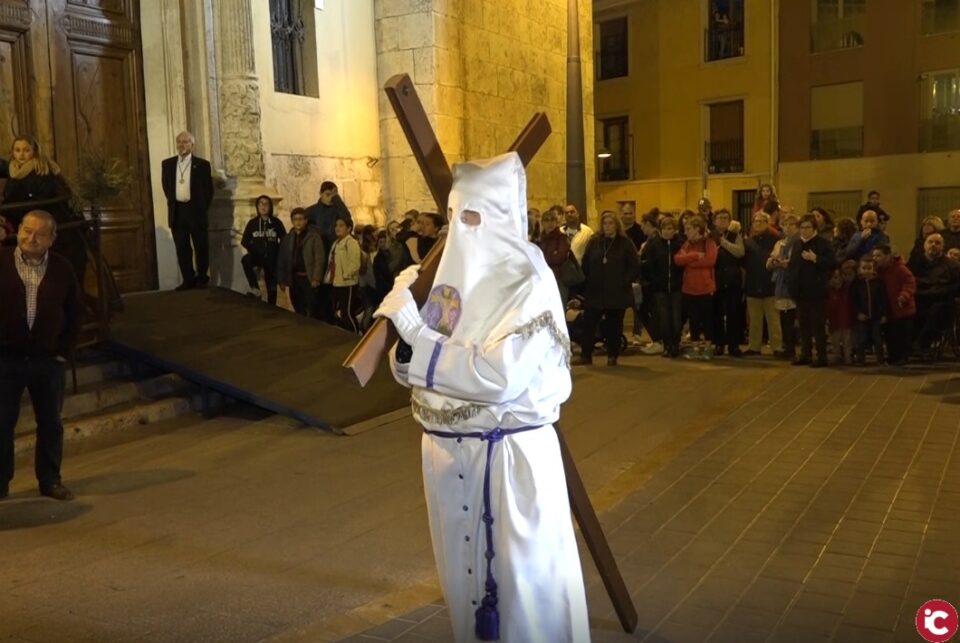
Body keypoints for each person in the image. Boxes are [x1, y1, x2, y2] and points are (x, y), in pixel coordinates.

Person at [375, 152, 590, 643]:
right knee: (462, 586)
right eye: (453, 217)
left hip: (508, 465)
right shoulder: (444, 281)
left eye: (472, 217)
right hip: (449, 462)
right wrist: (404, 330)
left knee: (523, 595)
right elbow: (411, 369)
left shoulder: (528, 283)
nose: (461, 230)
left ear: (502, 218)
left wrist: (419, 337)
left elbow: (500, 376)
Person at [0, 210, 80, 502]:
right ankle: (0, 483)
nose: (31, 238)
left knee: (50, 422)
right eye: (26, 231)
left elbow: (74, 312)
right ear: (18, 230)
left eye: (40, 234)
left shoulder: (62, 268)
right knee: (1, 422)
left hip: (47, 360)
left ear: (52, 239)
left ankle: (50, 479)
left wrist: (63, 352)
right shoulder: (2, 261)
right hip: (5, 359)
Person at [3, 136, 87, 285]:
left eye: (26, 150)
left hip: (45, 220)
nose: (21, 154)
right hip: (20, 218)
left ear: (34, 152)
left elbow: (43, 197)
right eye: (17, 150)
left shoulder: (42, 170)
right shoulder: (14, 169)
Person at [578, 211, 640, 366]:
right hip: (595, 291)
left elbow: (634, 265)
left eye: (610, 223)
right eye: (605, 223)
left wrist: (625, 281)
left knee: (614, 326)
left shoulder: (625, 244)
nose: (607, 226)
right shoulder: (594, 242)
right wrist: (586, 281)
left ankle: (613, 355)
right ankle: (586, 355)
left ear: (616, 225)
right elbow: (586, 263)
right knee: (589, 324)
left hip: (616, 291)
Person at [161, 131, 214, 291]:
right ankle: (188, 279)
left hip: (196, 210)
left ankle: (202, 277)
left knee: (201, 246)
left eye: (185, 142)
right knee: (182, 247)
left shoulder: (203, 165)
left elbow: (208, 190)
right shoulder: (167, 164)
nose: (181, 145)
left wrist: (201, 207)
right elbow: (166, 186)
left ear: (192, 144)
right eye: (179, 142)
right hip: (178, 211)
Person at [786, 213, 836, 367]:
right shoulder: (796, 244)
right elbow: (792, 267)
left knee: (817, 326)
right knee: (803, 325)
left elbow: (832, 264)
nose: (804, 231)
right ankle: (805, 354)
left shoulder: (823, 243)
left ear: (814, 228)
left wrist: (815, 259)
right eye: (802, 227)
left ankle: (821, 357)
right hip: (800, 293)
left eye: (807, 227)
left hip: (817, 292)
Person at [305, 180, 353, 322]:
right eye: (328, 194)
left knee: (333, 291)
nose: (330, 198)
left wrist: (337, 199)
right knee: (319, 291)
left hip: (335, 254)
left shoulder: (337, 209)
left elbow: (347, 220)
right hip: (320, 254)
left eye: (333, 194)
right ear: (321, 194)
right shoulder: (312, 211)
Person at [909, 233, 960, 359]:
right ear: (924, 245)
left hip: (941, 301)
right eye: (930, 242)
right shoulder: (915, 263)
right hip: (919, 299)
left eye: (937, 243)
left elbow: (955, 287)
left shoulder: (952, 266)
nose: (933, 245)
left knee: (936, 310)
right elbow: (910, 281)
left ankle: (922, 345)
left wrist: (936, 288)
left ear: (943, 246)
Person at [675, 214, 718, 359]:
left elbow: (709, 261)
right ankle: (694, 346)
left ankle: (708, 346)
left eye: (688, 229)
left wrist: (689, 263)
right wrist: (694, 256)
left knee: (707, 319)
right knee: (693, 319)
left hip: (705, 288)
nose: (685, 232)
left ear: (697, 229)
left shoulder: (709, 243)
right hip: (689, 288)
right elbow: (678, 260)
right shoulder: (687, 245)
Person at [645, 216, 685, 358]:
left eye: (670, 229)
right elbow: (649, 266)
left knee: (676, 318)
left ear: (674, 230)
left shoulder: (680, 244)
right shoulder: (654, 245)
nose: (667, 232)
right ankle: (667, 345)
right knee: (664, 318)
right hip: (660, 288)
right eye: (664, 229)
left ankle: (676, 344)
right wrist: (654, 282)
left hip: (676, 288)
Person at [743, 211, 782, 356]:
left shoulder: (775, 240)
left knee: (773, 319)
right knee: (754, 320)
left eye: (761, 221)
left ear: (767, 223)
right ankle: (754, 346)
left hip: (770, 284)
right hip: (753, 284)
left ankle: (777, 347)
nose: (757, 224)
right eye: (755, 221)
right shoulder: (749, 241)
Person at [277, 208, 325, 317]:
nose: (298, 222)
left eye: (301, 219)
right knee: (297, 305)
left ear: (306, 220)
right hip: (294, 278)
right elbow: (282, 259)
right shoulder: (287, 238)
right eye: (295, 219)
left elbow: (319, 258)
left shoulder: (314, 237)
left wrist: (316, 278)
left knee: (312, 306)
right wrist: (281, 279)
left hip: (308, 277)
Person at [873, 245, 916, 366]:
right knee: (890, 334)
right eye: (874, 256)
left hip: (902, 308)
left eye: (878, 255)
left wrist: (904, 295)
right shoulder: (878, 270)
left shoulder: (900, 269)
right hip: (889, 309)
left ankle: (902, 357)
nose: (875, 258)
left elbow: (909, 282)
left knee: (901, 334)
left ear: (887, 256)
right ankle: (893, 356)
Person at [240, 195, 286, 304]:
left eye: (266, 204)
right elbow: (244, 241)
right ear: (257, 206)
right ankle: (255, 289)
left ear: (270, 206)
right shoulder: (253, 223)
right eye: (261, 203)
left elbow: (284, 240)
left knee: (271, 288)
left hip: (272, 258)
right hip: (258, 256)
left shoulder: (276, 223)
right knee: (245, 260)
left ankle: (272, 309)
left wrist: (278, 253)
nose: (263, 206)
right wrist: (254, 250)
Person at [711, 209, 744, 357]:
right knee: (716, 314)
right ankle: (718, 344)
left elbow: (740, 252)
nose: (723, 220)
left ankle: (733, 345)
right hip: (715, 279)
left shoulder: (735, 235)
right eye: (720, 218)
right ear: (714, 220)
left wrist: (724, 243)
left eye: (726, 218)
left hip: (732, 280)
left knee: (734, 314)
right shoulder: (710, 236)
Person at [767, 214, 799, 359]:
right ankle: (787, 346)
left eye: (791, 225)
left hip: (793, 283)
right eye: (785, 225)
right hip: (781, 281)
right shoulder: (780, 243)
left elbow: (793, 261)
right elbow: (771, 259)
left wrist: (783, 263)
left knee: (793, 318)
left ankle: (794, 347)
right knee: (784, 318)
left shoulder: (798, 242)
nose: (788, 228)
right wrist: (774, 262)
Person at [325, 216, 362, 333]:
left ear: (349, 228)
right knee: (337, 311)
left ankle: (356, 336)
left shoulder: (351, 242)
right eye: (336, 225)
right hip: (337, 282)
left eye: (341, 225)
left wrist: (347, 274)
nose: (337, 228)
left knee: (347, 312)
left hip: (348, 283)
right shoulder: (336, 243)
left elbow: (355, 262)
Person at [849, 256, 887, 366]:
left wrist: (884, 314)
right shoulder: (856, 284)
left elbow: (883, 299)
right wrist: (857, 313)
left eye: (869, 268)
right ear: (860, 269)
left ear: (873, 269)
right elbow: (853, 300)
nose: (867, 270)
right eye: (864, 268)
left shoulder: (879, 282)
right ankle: (861, 359)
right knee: (862, 338)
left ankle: (880, 359)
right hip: (862, 316)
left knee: (877, 338)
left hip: (876, 316)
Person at [537, 208, 572, 304]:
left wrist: (543, 259)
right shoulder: (539, 240)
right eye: (546, 220)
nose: (549, 223)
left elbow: (559, 258)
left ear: (557, 222)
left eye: (552, 220)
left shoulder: (562, 238)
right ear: (542, 223)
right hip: (542, 279)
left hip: (559, 279)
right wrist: (551, 255)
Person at [826, 267, 854, 366]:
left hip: (846, 319)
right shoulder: (828, 291)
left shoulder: (848, 289)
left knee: (847, 341)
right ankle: (837, 355)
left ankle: (848, 357)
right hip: (834, 320)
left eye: (838, 277)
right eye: (834, 277)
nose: (836, 280)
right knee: (835, 340)